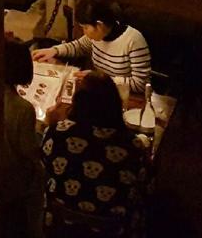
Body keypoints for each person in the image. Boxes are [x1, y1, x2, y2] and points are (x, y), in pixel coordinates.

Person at [40, 71, 146, 225]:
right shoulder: (132, 145)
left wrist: (48, 123)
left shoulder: (56, 132)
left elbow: (42, 169)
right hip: (113, 230)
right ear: (115, 104)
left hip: (59, 224)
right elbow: (145, 188)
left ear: (77, 103)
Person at [33, 0, 151, 95]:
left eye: (85, 28)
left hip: (123, 99)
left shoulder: (133, 40)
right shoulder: (98, 36)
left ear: (99, 25)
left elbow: (140, 85)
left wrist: (99, 78)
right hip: (100, 91)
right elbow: (79, 46)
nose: (84, 32)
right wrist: (54, 50)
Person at [0, 41, 44, 238]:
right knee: (41, 173)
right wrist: (46, 127)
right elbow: (30, 152)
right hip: (9, 179)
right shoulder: (22, 109)